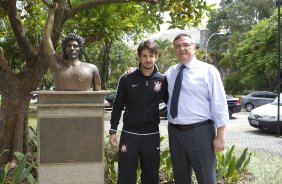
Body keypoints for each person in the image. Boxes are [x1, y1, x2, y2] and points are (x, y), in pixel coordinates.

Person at [165, 34, 229, 184]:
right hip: (175, 133)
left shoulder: (208, 70)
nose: (182, 48)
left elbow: (219, 103)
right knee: (181, 179)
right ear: (174, 50)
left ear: (194, 47)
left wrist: (220, 135)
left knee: (206, 179)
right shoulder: (171, 72)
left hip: (200, 133)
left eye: (186, 45)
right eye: (177, 46)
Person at [109, 40, 167, 184]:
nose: (148, 60)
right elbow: (117, 106)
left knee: (151, 176)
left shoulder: (162, 80)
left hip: (151, 136)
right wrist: (113, 130)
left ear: (156, 57)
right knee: (126, 176)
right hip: (130, 135)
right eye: (144, 56)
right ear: (139, 57)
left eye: (151, 56)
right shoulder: (127, 79)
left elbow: (172, 104)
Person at [44, 3, 101, 91]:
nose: (72, 48)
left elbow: (98, 98)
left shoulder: (92, 68)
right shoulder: (57, 65)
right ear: (64, 49)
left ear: (80, 49)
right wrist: (51, 13)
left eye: (75, 46)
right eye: (68, 46)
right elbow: (47, 38)